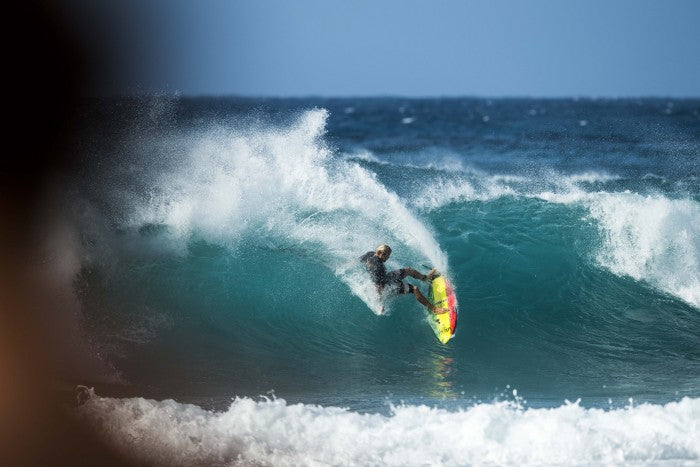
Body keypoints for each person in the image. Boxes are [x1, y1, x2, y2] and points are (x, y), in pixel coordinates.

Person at [360, 244, 447, 314]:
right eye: (387, 256)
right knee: (414, 289)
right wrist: (380, 304)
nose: (388, 258)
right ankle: (433, 309)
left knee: (409, 270)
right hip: (386, 286)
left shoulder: (371, 254)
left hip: (386, 277)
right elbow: (378, 287)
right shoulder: (378, 268)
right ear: (382, 254)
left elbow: (358, 259)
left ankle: (425, 278)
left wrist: (346, 266)